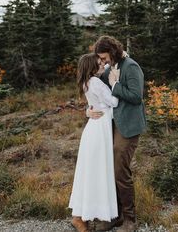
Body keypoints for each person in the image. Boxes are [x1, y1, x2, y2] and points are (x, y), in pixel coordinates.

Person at [88, 35, 147, 232]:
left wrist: (115, 85)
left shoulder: (131, 67)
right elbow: (95, 91)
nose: (103, 62)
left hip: (128, 126)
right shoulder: (109, 68)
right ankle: (115, 215)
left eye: (104, 58)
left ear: (112, 52)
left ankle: (130, 219)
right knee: (109, 169)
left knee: (120, 170)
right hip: (110, 124)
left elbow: (136, 97)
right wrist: (87, 110)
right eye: (101, 59)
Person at [69, 53, 119, 232]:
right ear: (91, 66)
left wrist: (87, 111)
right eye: (98, 63)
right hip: (99, 130)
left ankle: (83, 215)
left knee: (90, 172)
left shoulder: (86, 81)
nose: (101, 65)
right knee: (97, 171)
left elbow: (94, 104)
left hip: (94, 128)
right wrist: (115, 84)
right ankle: (81, 217)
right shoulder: (96, 82)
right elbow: (113, 101)